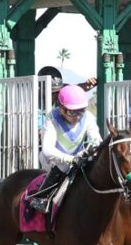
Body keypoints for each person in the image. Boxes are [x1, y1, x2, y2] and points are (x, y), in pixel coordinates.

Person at [29, 84, 102, 214]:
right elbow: (47, 149)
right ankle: (40, 198)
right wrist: (70, 159)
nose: (78, 116)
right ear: (61, 108)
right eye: (72, 112)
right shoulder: (52, 119)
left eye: (81, 110)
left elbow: (96, 139)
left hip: (78, 157)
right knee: (63, 167)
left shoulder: (88, 117)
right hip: (53, 161)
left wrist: (91, 148)